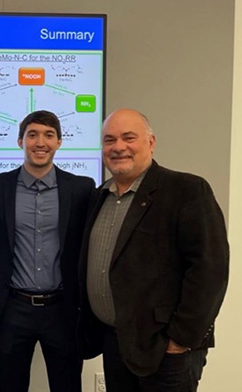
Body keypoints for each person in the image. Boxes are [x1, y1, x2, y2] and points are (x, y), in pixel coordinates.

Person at [78, 108, 229, 392]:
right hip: (117, 343)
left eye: (128, 137)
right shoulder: (100, 196)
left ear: (151, 142)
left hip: (166, 350)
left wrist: (180, 340)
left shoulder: (186, 189)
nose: (118, 147)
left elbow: (210, 270)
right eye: (109, 140)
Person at [0, 110, 95, 392]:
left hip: (62, 309)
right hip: (12, 309)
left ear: (59, 142)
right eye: (32, 135)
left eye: (48, 135)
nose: (40, 142)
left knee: (67, 386)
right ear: (20, 141)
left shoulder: (82, 188)